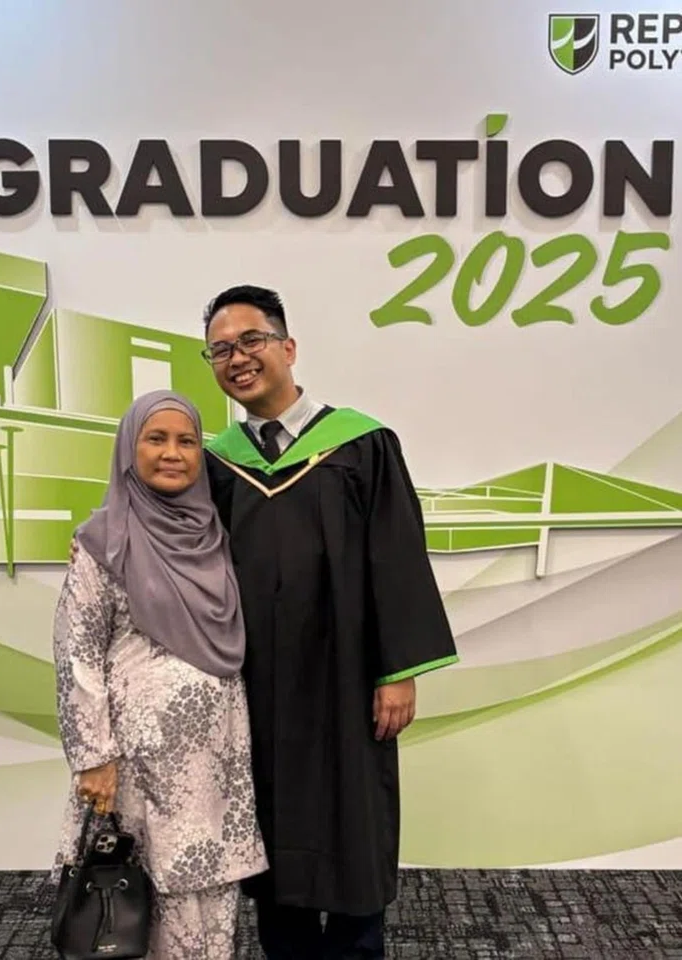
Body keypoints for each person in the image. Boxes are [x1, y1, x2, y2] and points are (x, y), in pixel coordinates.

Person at [201, 285, 459, 960]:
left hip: (346, 679)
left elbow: (396, 557)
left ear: (288, 348)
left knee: (354, 832)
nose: (238, 358)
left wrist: (397, 671)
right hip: (256, 684)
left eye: (251, 341)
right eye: (221, 349)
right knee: (270, 841)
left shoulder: (362, 443)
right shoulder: (218, 461)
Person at [52, 390, 267, 959]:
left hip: (214, 762)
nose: (173, 453)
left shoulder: (216, 537)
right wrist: (94, 755)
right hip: (137, 767)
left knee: (208, 896)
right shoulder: (103, 541)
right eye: (156, 438)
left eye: (187, 441)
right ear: (129, 449)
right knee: (133, 901)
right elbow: (78, 652)